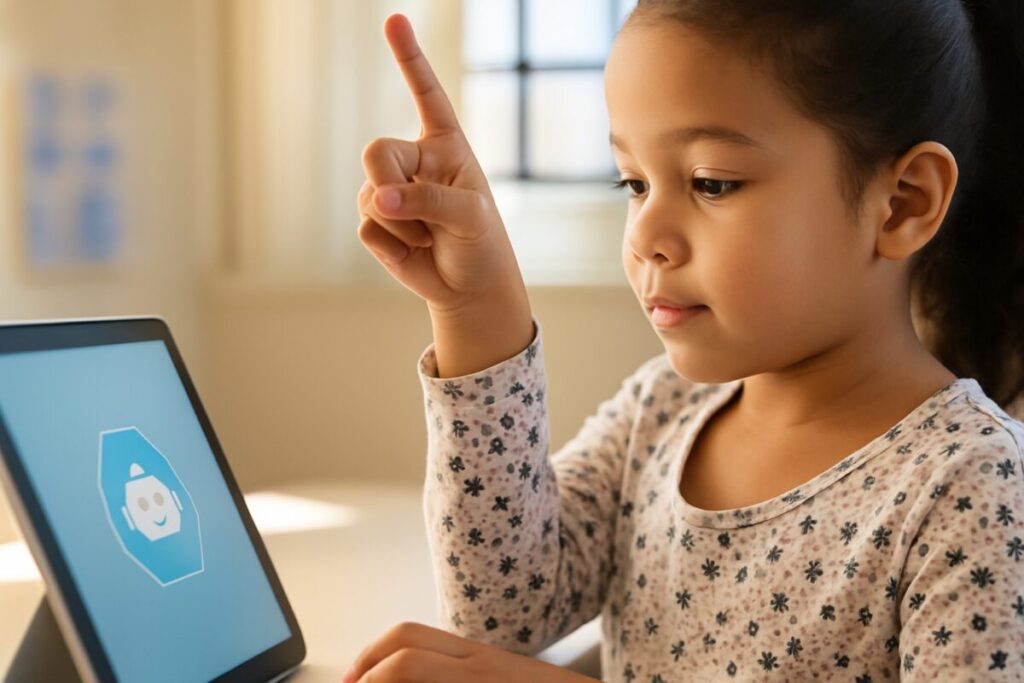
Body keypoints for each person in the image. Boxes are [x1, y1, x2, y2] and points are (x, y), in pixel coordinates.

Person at [343, 1, 1024, 680]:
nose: (645, 236)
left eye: (711, 183)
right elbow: (500, 611)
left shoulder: (972, 485)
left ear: (903, 203)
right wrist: (474, 306)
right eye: (634, 183)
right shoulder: (662, 411)